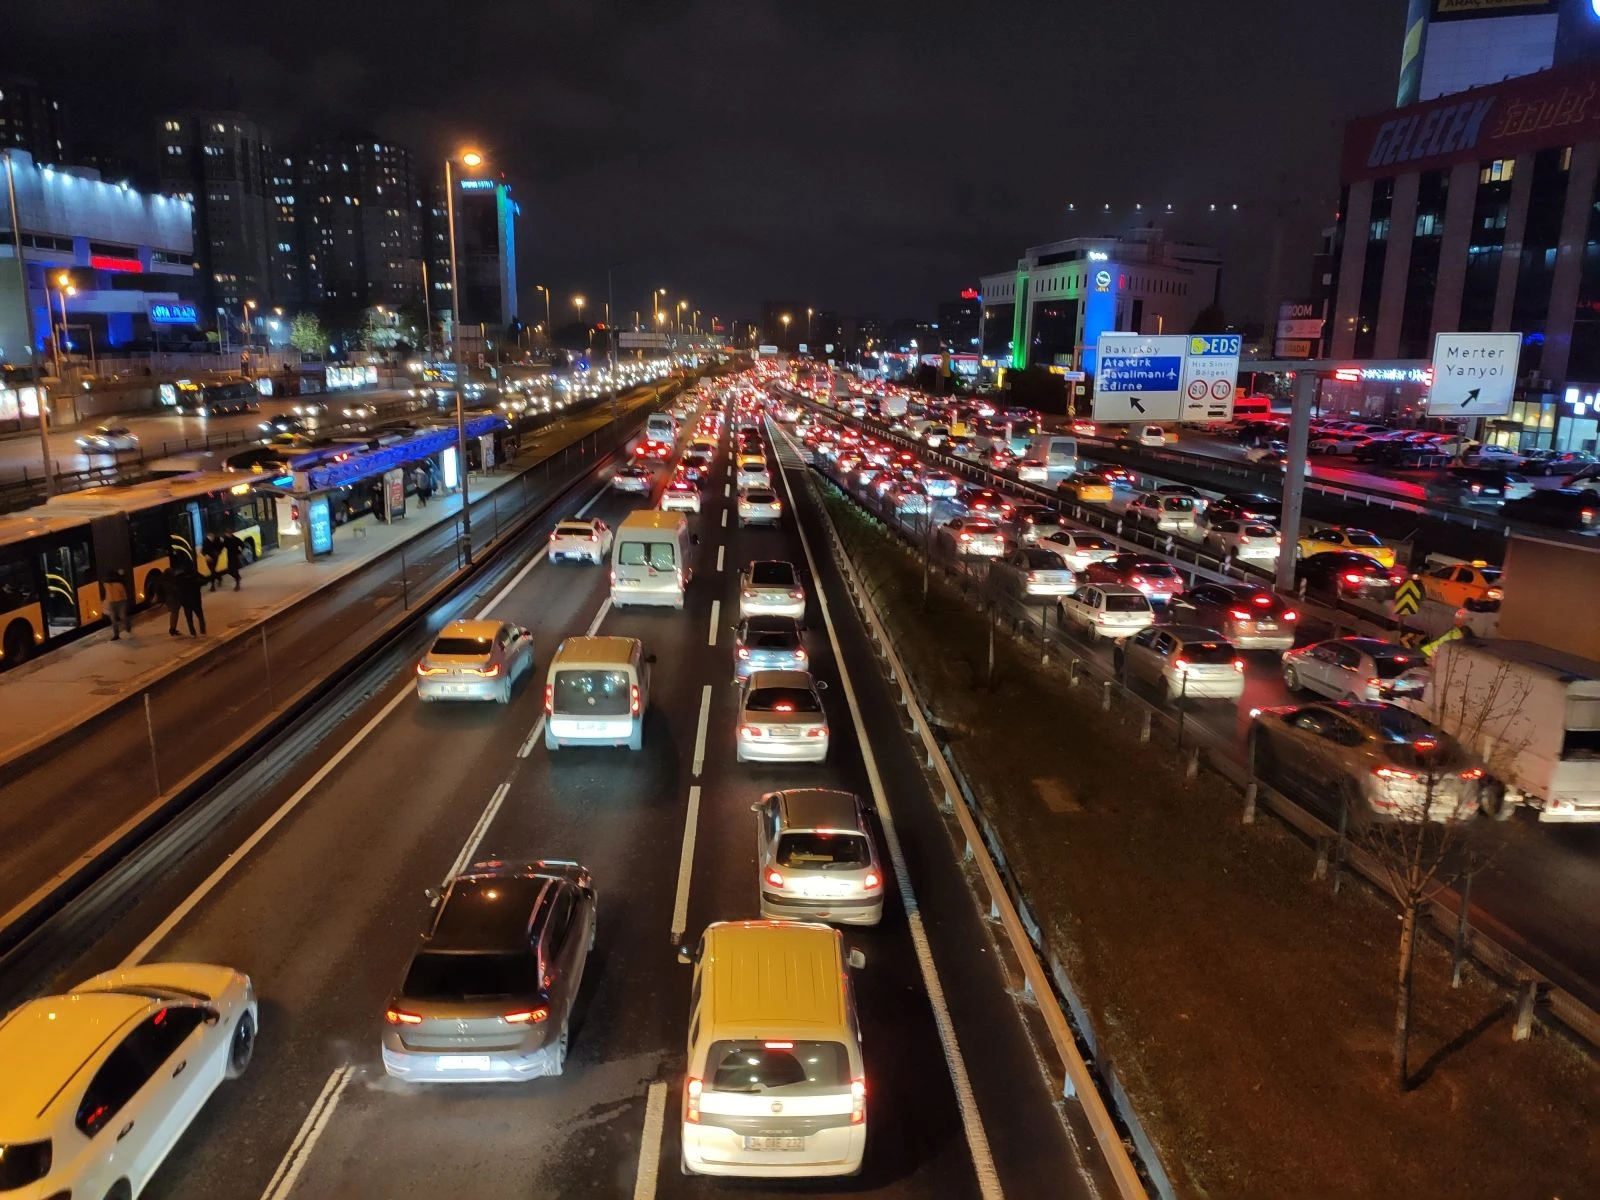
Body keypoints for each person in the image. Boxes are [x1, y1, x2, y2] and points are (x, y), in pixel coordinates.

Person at [175, 564, 206, 636]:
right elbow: (204, 580)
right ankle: (202, 631)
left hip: (186, 602)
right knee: (200, 617)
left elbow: (176, 587)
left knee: (189, 619)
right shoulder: (195, 578)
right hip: (196, 601)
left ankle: (193, 633)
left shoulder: (180, 579)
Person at [104, 569, 132, 640]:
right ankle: (116, 634)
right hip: (112, 603)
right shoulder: (107, 584)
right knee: (114, 619)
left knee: (122, 616)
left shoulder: (118, 585)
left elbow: (124, 596)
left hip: (120, 602)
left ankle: (127, 625)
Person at [163, 569, 186, 636]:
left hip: (170, 600)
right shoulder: (169, 583)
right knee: (174, 614)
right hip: (173, 600)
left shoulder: (165, 582)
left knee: (174, 614)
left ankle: (173, 628)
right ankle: (172, 629)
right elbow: (174, 590)